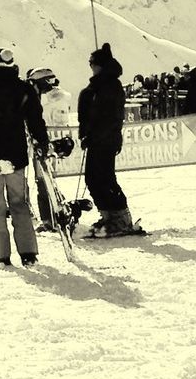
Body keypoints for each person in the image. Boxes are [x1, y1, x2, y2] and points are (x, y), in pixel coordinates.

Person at [0, 47, 48, 268]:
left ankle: (1, 256)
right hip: (16, 156)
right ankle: (28, 253)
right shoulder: (24, 89)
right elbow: (35, 121)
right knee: (19, 204)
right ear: (13, 65)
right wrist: (42, 142)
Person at [79, 42, 135, 236]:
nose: (91, 67)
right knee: (96, 179)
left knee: (103, 179)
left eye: (92, 64)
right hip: (101, 139)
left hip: (104, 139)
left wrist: (91, 135)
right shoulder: (103, 84)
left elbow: (108, 117)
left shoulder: (108, 85)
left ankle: (120, 219)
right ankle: (110, 216)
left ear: (100, 65)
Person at [27, 68, 74, 232]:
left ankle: (49, 219)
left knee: (43, 181)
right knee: (47, 180)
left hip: (46, 144)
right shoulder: (57, 97)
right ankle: (56, 213)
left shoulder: (49, 99)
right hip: (53, 143)